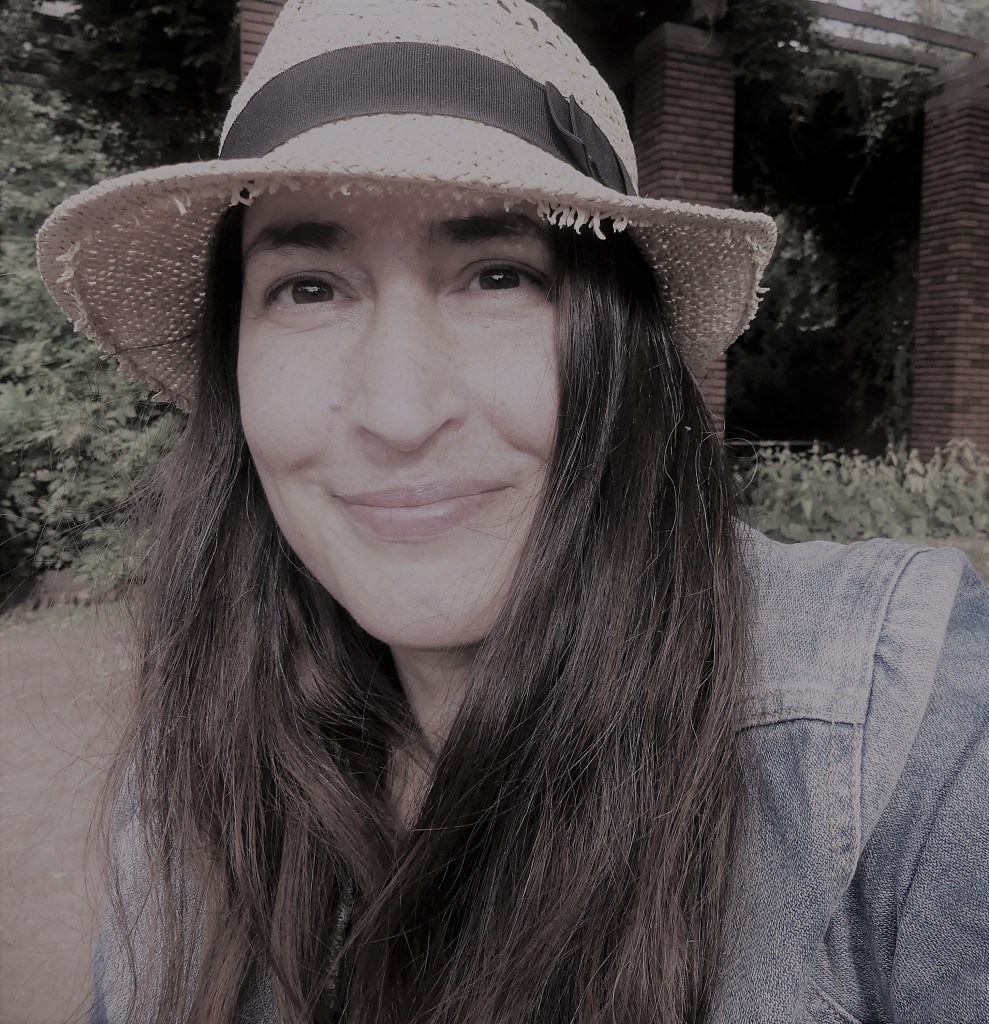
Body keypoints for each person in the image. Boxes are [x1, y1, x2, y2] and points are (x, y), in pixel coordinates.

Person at [36, 0, 989, 1022]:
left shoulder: (902, 725)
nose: (400, 412)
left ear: (619, 347)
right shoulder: (185, 788)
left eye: (498, 276)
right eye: (308, 288)